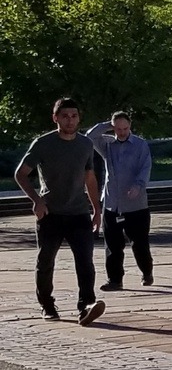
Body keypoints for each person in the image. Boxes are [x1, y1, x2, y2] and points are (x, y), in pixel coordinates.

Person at [14, 98, 106, 325]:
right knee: (46, 261)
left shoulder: (85, 144)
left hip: (79, 213)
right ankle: (46, 304)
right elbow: (21, 174)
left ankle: (86, 305)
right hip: (51, 213)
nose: (70, 120)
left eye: (74, 116)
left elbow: (89, 177)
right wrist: (37, 200)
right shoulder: (43, 144)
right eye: (65, 116)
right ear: (56, 118)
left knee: (85, 261)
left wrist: (96, 209)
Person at [86, 111, 154, 289]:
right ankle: (115, 280)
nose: (122, 132)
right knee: (113, 246)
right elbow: (90, 136)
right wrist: (107, 125)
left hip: (136, 205)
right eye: (118, 128)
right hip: (112, 203)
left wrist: (138, 186)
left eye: (125, 128)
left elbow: (145, 168)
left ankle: (147, 272)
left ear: (130, 126)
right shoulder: (107, 144)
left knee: (139, 244)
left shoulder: (140, 145)